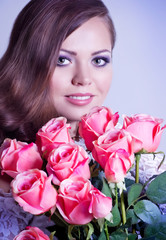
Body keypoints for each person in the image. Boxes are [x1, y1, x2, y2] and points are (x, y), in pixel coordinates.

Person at [0, 0, 116, 239]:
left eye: (99, 60)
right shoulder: (6, 165)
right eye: (62, 60)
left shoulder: (130, 166)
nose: (84, 79)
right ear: (29, 64)